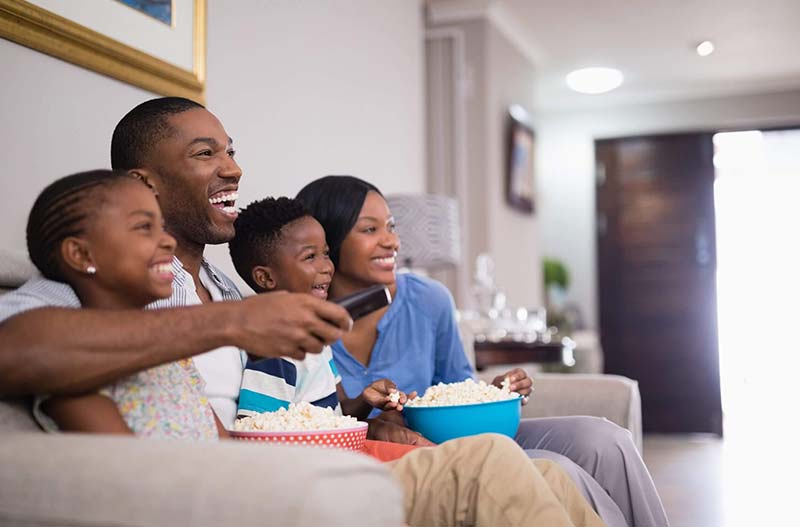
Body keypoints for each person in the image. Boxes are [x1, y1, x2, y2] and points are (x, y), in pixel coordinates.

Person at [0, 97, 603, 527]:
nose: (233, 167)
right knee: (494, 463)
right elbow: (16, 351)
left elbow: (275, 410)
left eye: (231, 151)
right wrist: (228, 324)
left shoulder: (231, 289)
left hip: (304, 465)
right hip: (252, 489)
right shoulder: (85, 287)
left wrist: (368, 418)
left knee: (548, 475)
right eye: (205, 153)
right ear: (145, 182)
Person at [297, 175, 670, 527]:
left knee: (606, 440)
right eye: (370, 229)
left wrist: (494, 391)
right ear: (328, 244)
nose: (392, 241)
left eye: (392, 227)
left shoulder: (429, 300)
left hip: (461, 434)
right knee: (557, 469)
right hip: (423, 457)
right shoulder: (294, 323)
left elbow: (459, 387)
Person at [227, 194, 607, 526]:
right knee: (487, 459)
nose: (327, 266)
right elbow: (259, 431)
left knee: (550, 475)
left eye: (326, 253)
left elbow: (336, 408)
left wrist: (364, 401)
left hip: (350, 447)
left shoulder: (313, 338)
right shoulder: (273, 348)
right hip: (329, 467)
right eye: (311, 257)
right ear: (266, 278)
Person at [26, 169, 224, 440]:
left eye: (162, 227)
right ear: (82, 254)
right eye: (144, 227)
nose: (168, 241)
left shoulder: (171, 350)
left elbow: (224, 444)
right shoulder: (74, 369)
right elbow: (125, 468)